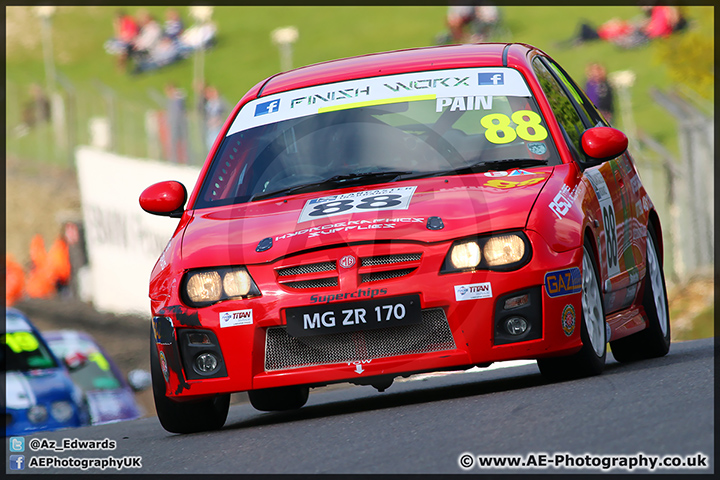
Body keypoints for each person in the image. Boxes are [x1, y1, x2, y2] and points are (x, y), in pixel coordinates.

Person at [164, 83, 189, 164]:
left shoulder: (179, 98)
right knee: (173, 141)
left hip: (180, 123)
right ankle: (174, 160)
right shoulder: (170, 100)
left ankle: (187, 160)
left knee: (184, 141)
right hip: (173, 123)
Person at [204, 85, 228, 151]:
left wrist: (218, 121)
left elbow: (223, 113)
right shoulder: (209, 104)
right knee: (210, 144)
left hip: (218, 127)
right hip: (211, 128)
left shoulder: (219, 103)